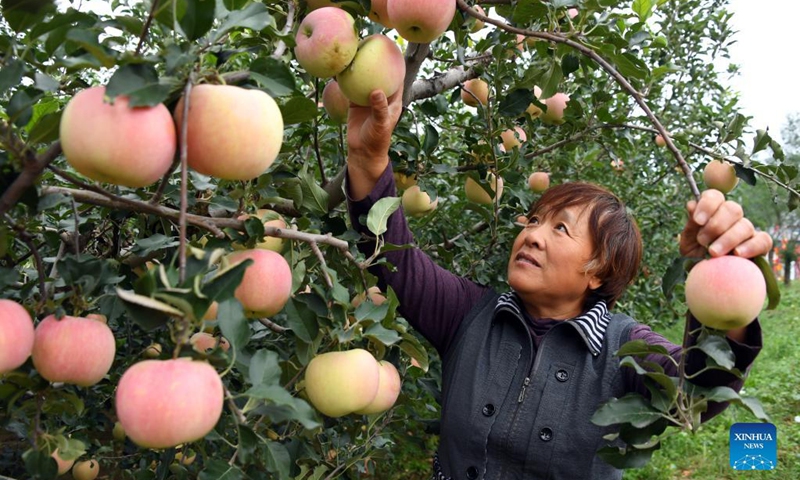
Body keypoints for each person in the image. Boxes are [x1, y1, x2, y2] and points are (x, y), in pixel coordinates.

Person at [344, 85, 772, 480]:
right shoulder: (468, 315)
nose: (531, 234)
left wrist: (725, 287)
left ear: (598, 270)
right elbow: (394, 259)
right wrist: (369, 162)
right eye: (533, 220)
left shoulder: (627, 352)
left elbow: (696, 391)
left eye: (560, 229)